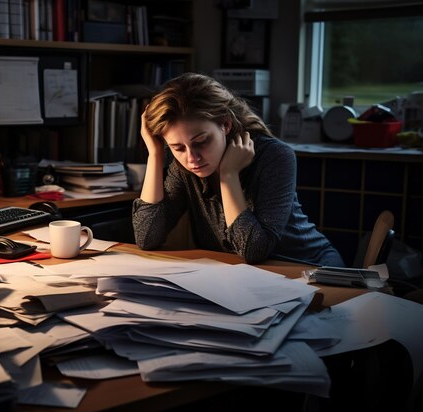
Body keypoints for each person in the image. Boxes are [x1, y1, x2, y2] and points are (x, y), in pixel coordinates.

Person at [132, 72, 345, 266]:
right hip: (245, 277)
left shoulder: (275, 156)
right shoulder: (183, 168)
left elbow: (253, 250)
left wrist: (228, 175)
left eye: (201, 142)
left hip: (309, 268)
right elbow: (146, 237)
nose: (191, 158)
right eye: (177, 148)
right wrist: (156, 154)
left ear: (226, 124)